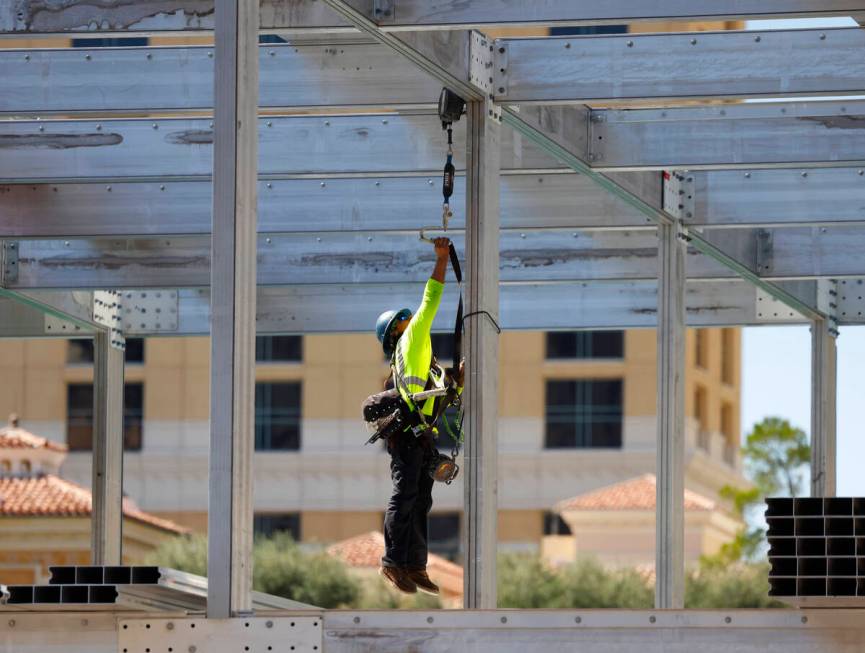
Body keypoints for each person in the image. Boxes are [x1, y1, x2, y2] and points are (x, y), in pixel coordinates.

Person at [373, 236, 464, 595]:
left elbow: (434, 400)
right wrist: (442, 259)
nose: (412, 319)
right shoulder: (411, 341)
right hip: (410, 437)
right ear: (398, 329)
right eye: (405, 320)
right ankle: (393, 562)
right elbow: (431, 299)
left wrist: (455, 382)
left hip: (420, 436)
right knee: (405, 496)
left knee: (420, 499)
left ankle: (414, 564)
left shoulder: (421, 360)